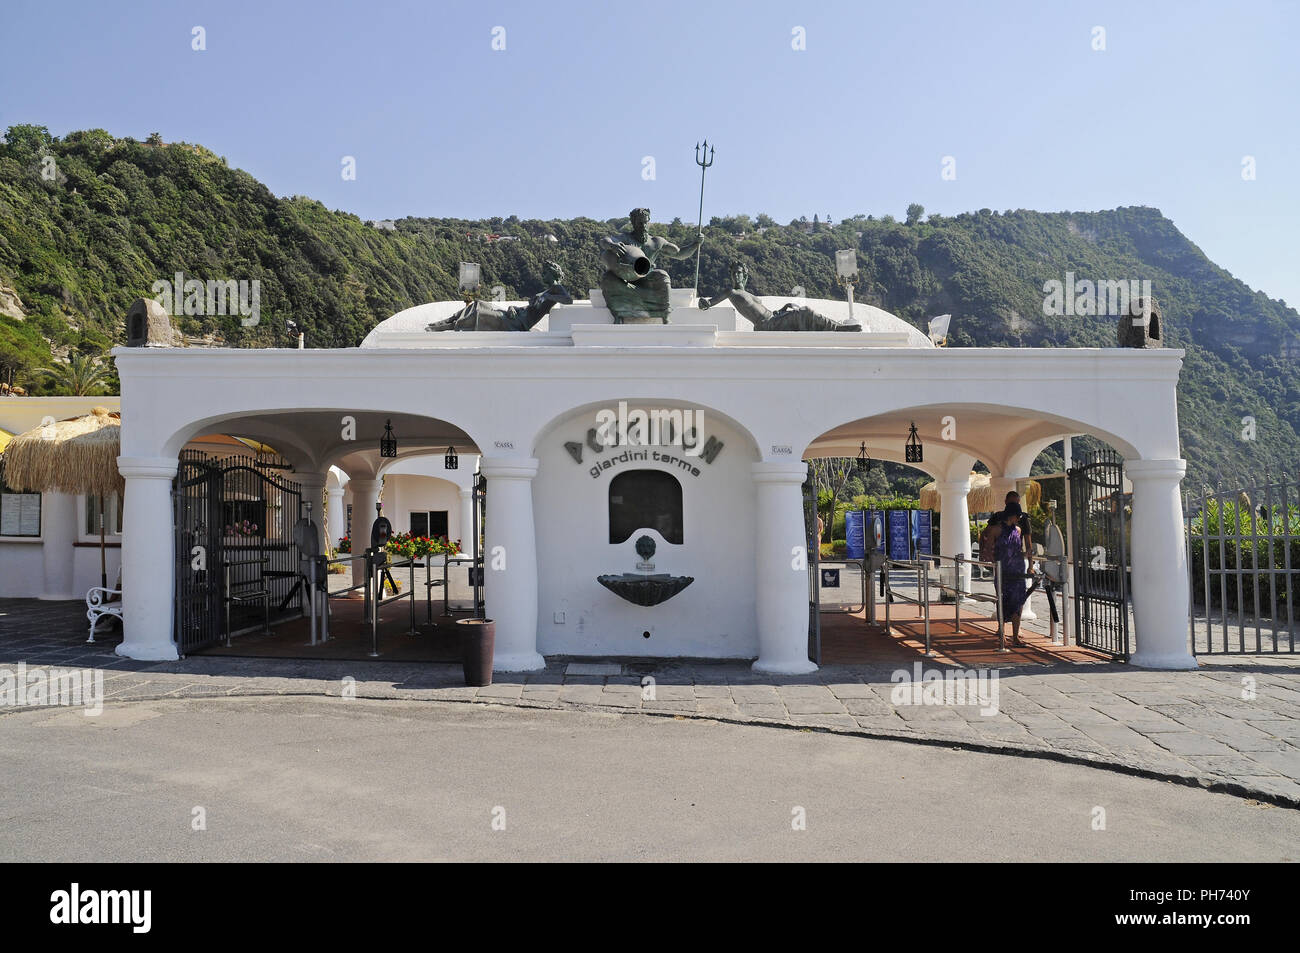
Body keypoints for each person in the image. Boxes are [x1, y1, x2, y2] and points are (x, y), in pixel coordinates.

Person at [995, 502, 1031, 646]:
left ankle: (1015, 636)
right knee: (1003, 602)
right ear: (1013, 515)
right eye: (1018, 516)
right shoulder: (997, 530)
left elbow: (1018, 549)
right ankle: (1002, 635)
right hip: (1003, 570)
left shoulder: (1018, 530)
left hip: (1017, 570)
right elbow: (992, 548)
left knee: (1018, 602)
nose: (1019, 518)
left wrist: (1028, 556)